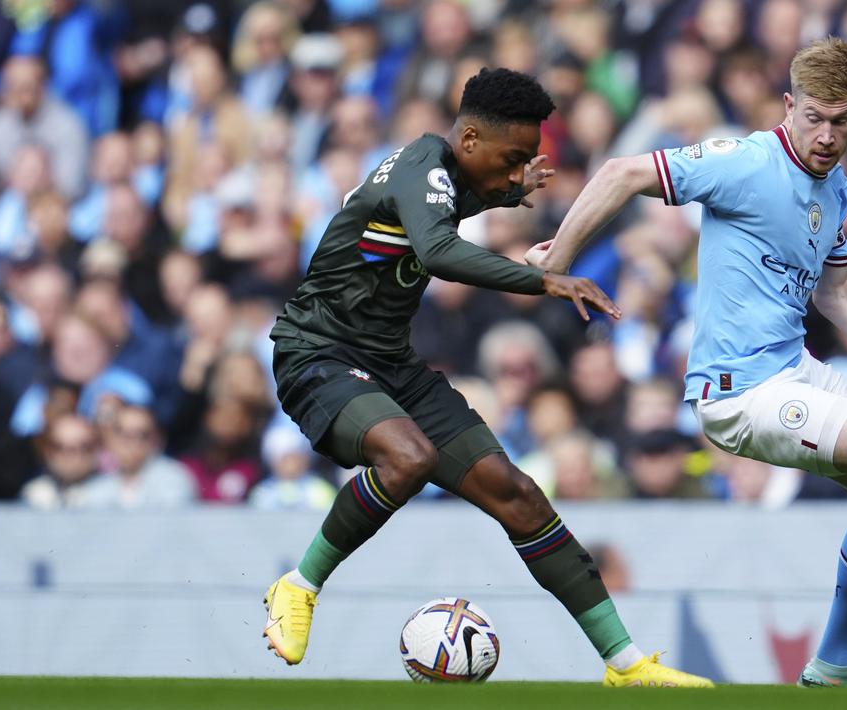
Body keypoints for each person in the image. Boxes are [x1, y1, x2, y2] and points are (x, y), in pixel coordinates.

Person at [531, 38, 847, 688]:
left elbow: (835, 292)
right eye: (813, 117)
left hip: (791, 370)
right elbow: (619, 173)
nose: (826, 134)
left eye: (840, 120)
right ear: (787, 106)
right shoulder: (744, 161)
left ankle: (833, 664)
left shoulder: (831, 188)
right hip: (739, 390)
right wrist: (555, 264)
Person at [262, 67, 709, 688]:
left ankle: (625, 666)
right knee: (408, 458)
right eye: (512, 158)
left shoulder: (445, 174)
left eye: (526, 160)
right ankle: (298, 586)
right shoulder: (424, 170)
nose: (517, 171)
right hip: (320, 353)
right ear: (469, 138)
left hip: (390, 363)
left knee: (519, 495)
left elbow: (456, 206)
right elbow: (441, 252)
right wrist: (544, 278)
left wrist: (503, 192)